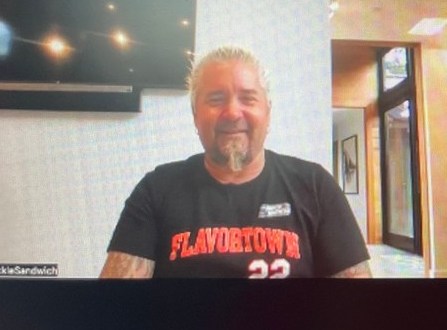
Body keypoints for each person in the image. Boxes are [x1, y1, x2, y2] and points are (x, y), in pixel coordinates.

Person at [101, 46, 371, 278]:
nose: (232, 112)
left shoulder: (315, 186)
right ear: (195, 116)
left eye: (248, 98)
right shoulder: (156, 190)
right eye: (215, 99)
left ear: (267, 112)